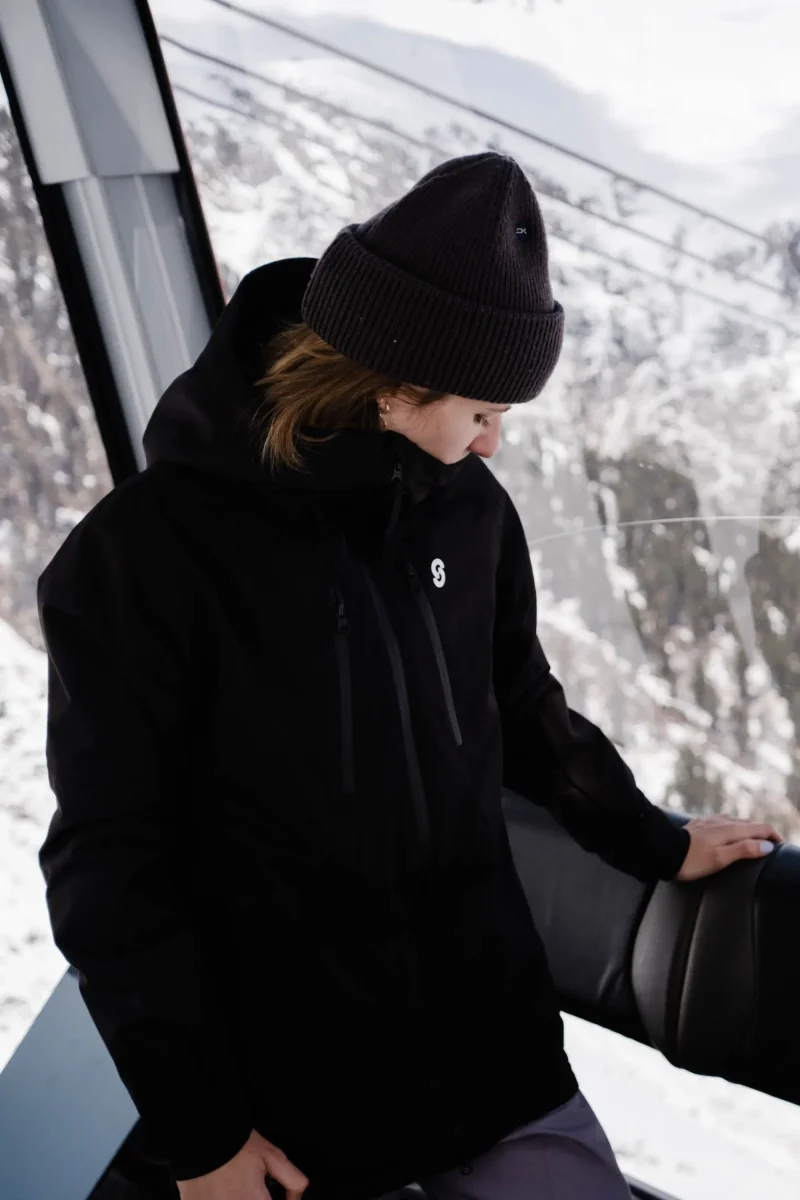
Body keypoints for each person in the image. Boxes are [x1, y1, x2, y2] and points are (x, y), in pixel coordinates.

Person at [37, 152, 784, 1200]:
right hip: (296, 1106)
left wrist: (655, 840)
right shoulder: (142, 560)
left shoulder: (466, 513)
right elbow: (109, 868)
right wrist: (202, 1135)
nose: (493, 444)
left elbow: (523, 707)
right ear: (389, 387)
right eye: (481, 413)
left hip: (497, 1056)